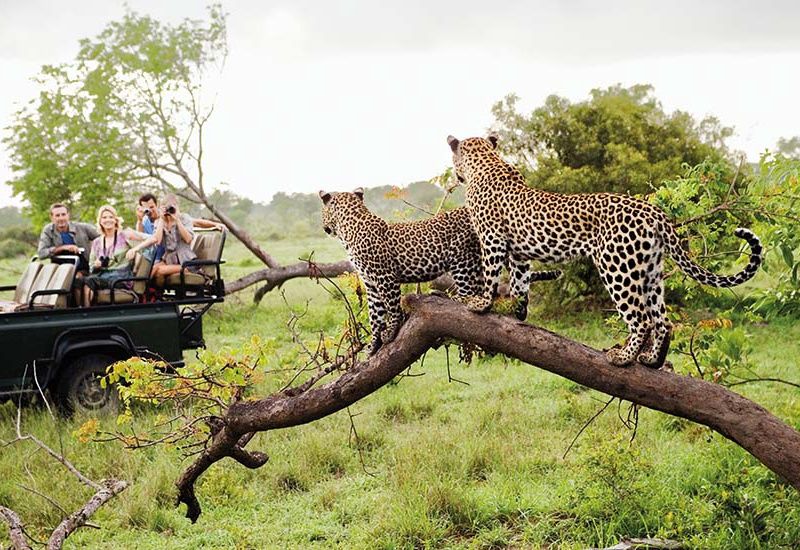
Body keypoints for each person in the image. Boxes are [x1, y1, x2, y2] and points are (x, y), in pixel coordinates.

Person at [80, 205, 158, 307]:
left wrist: (135, 249)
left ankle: (88, 315)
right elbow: (91, 267)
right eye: (104, 217)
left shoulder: (125, 235)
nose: (108, 220)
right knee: (82, 281)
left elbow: (153, 239)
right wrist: (96, 265)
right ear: (100, 221)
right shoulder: (97, 242)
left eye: (110, 217)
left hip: (121, 278)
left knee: (90, 281)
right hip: (102, 276)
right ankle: (86, 312)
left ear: (115, 220)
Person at [149, 194, 200, 287]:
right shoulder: (159, 222)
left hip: (186, 262)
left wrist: (177, 220)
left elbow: (188, 239)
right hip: (169, 260)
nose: (169, 211)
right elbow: (157, 241)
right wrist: (161, 219)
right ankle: (151, 296)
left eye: (171, 207)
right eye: (166, 208)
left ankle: (150, 296)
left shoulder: (184, 218)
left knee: (160, 270)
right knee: (153, 268)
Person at [37, 203, 99, 272]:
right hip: (60, 269)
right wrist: (63, 248)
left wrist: (97, 255)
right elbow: (41, 253)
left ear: (68, 215)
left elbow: (103, 237)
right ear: (52, 218)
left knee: (78, 278)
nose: (61, 218)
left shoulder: (82, 227)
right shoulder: (48, 230)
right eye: (57, 215)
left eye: (63, 214)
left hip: (83, 267)